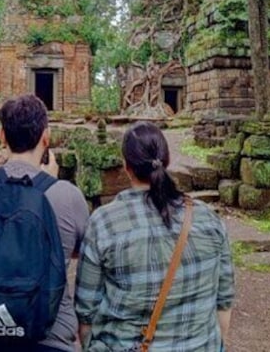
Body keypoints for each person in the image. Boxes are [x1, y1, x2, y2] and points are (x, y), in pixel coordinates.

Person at [75, 121, 235, 351]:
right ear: (167, 161)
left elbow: (86, 315)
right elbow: (224, 304)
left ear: (126, 166)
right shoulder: (209, 220)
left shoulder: (104, 223)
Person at [0, 94, 90, 352]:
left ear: (2, 135)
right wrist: (48, 185)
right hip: (50, 338)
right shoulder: (67, 195)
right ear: (46, 137)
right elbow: (77, 249)